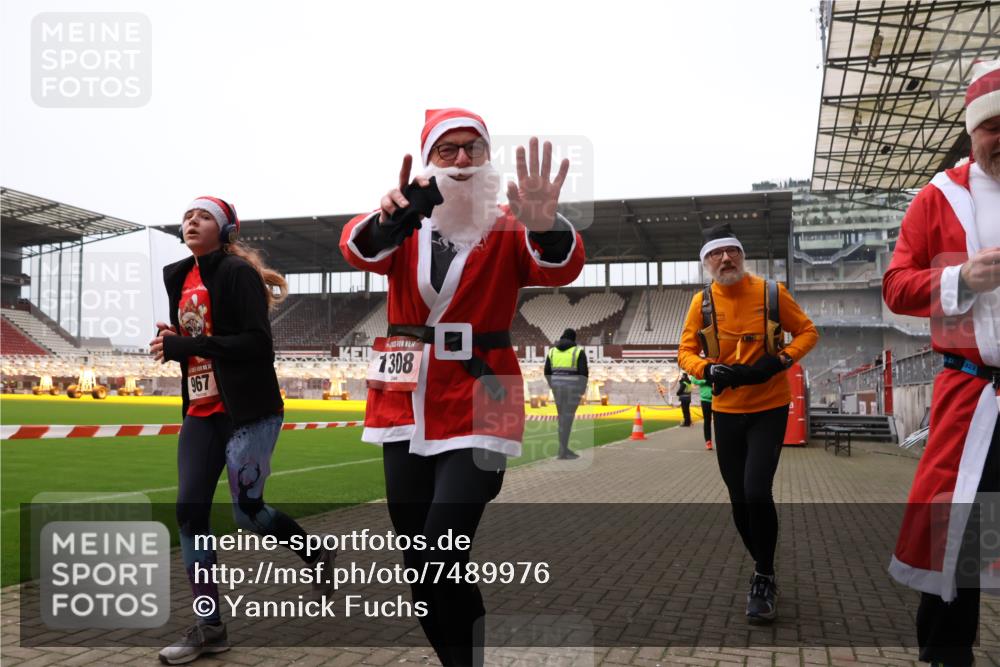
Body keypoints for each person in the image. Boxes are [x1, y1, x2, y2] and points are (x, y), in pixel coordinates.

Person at [339, 108, 585, 666]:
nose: (461, 160)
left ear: (488, 158)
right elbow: (356, 247)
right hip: (404, 401)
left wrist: (546, 226)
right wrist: (390, 220)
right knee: (418, 563)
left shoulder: (508, 224)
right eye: (446, 150)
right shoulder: (405, 222)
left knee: (440, 551)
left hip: (485, 397)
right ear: (428, 161)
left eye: (474, 148)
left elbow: (559, 267)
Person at [151, 197, 335, 665]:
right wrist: (174, 340)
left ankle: (315, 551)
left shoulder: (237, 273)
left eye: (204, 216)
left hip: (248, 410)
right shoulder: (179, 276)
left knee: (247, 512)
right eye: (188, 216)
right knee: (189, 512)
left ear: (226, 230)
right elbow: (198, 337)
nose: (192, 221)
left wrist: (188, 344)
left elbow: (257, 344)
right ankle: (210, 627)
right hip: (201, 411)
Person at [882, 59, 1000, 667]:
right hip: (971, 396)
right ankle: (947, 654)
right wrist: (960, 279)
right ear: (972, 131)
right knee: (958, 535)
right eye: (993, 126)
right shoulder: (938, 198)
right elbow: (896, 286)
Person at [678, 222, 818, 624]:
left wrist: (780, 361)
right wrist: (707, 369)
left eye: (732, 251)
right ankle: (763, 563)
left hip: (768, 407)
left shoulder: (772, 293)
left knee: (757, 491)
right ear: (706, 262)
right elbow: (684, 352)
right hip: (726, 411)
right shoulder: (701, 303)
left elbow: (808, 332)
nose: (725, 259)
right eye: (716, 253)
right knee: (738, 497)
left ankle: (764, 575)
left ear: (742, 254)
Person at [544, 327, 589, 459]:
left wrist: (553, 386)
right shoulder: (578, 351)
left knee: (562, 419)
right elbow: (583, 373)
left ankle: (562, 449)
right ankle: (563, 451)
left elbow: (546, 372)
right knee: (567, 420)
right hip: (573, 390)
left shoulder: (552, 351)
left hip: (557, 390)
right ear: (573, 339)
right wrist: (581, 390)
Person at [691, 374, 714, 450]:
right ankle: (708, 442)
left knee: (719, 423)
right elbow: (694, 380)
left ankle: (721, 442)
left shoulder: (714, 369)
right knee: (707, 421)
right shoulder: (701, 370)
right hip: (705, 400)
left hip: (717, 400)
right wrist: (705, 381)